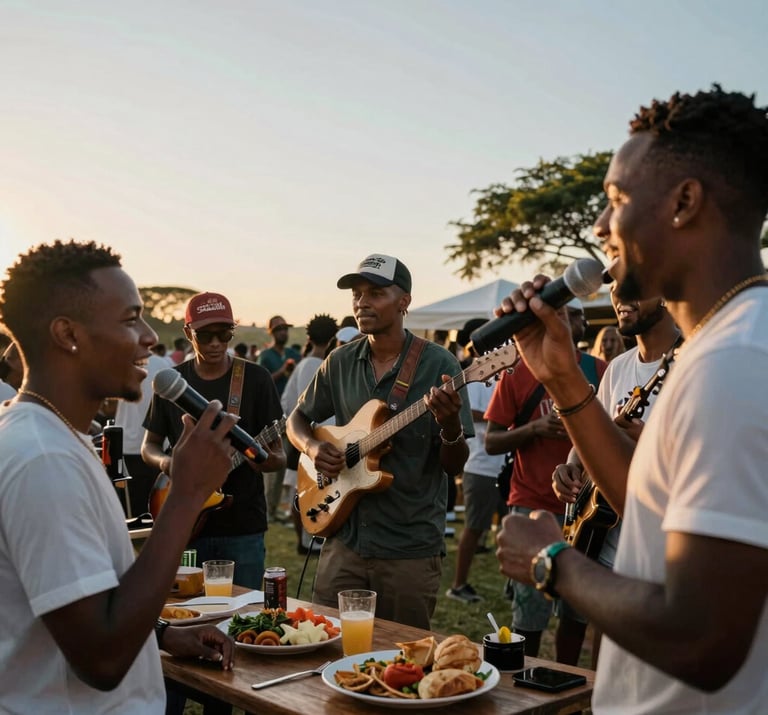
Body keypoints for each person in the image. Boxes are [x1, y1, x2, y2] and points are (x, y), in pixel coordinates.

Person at [495, 86, 768, 712]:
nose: (599, 227)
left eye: (616, 199)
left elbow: (704, 637)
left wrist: (551, 562)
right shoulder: (719, 345)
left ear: (684, 201)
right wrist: (564, 379)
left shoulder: (736, 361)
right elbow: (646, 508)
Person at [0, 240, 235, 714]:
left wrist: (162, 634)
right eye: (131, 320)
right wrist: (187, 495)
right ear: (68, 334)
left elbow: (73, 604)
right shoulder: (43, 459)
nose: (150, 338)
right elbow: (102, 658)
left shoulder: (48, 437)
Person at [286, 253, 474, 629]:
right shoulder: (339, 362)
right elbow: (297, 419)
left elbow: (454, 464)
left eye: (375, 292)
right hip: (344, 539)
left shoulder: (440, 366)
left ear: (404, 301)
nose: (361, 302)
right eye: (356, 294)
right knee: (326, 644)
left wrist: (450, 422)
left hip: (409, 547)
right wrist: (313, 447)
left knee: (402, 659)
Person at [552, 285, 681, 666]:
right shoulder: (620, 368)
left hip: (661, 557)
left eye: (635, 287)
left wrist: (646, 442)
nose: (620, 296)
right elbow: (592, 438)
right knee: (603, 667)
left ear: (664, 292)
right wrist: (572, 465)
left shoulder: (693, 364)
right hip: (605, 542)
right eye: (615, 288)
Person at [485, 300, 606, 663]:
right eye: (557, 314)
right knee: (530, 612)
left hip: (588, 510)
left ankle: (566, 683)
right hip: (533, 502)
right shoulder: (516, 371)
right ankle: (525, 682)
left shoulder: (600, 370)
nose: (564, 321)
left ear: (582, 325)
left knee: (576, 612)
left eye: (573, 315)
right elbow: (491, 441)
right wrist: (534, 428)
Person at [142, 292, 285, 589]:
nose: (216, 343)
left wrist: (265, 462)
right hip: (185, 523)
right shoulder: (172, 383)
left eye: (224, 334)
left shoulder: (256, 379)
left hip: (242, 525)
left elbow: (279, 456)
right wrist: (169, 464)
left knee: (244, 614)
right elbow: (149, 446)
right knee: (188, 614)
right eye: (205, 335)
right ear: (187, 333)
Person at [445, 318, 507, 603]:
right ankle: (458, 585)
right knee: (474, 527)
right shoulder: (471, 373)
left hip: (503, 462)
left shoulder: (496, 368)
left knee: (508, 528)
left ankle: (512, 585)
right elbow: (469, 412)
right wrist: (504, 416)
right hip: (480, 464)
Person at [280, 313, 339, 554]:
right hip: (316, 438)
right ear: (334, 338)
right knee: (309, 492)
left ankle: (304, 541)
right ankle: (309, 540)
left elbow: (286, 401)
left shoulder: (303, 363)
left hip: (299, 436)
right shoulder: (320, 366)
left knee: (300, 491)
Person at [112, 352, 168, 518]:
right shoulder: (164, 365)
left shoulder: (120, 362)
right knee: (155, 507)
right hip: (156, 447)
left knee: (132, 509)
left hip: (127, 445)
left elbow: (107, 406)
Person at [257, 315, 301, 523]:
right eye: (280, 329)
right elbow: (261, 383)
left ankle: (286, 508)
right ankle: (269, 511)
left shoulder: (294, 353)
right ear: (272, 332)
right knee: (273, 467)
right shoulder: (266, 355)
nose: (284, 332)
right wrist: (282, 371)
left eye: (285, 329)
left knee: (291, 465)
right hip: (273, 417)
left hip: (293, 415)